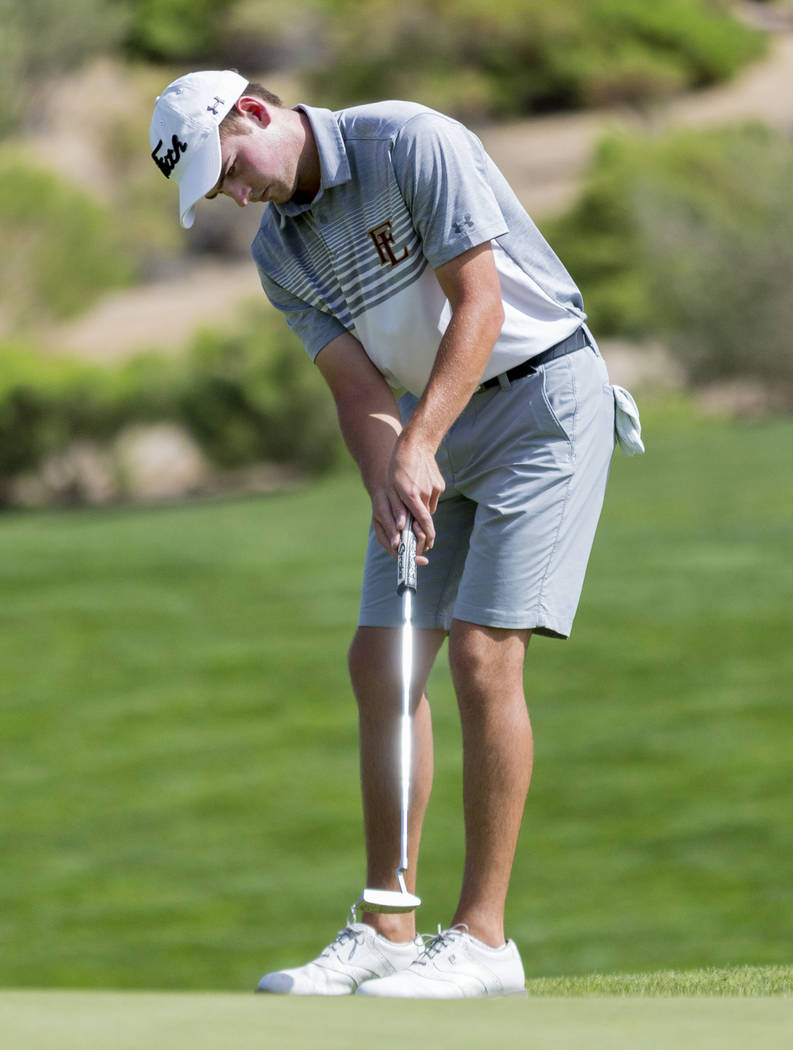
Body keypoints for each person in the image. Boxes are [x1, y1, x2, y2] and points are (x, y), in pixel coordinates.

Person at [150, 69, 643, 999]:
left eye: (228, 168)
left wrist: (420, 442)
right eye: (215, 190)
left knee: (482, 658)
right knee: (382, 661)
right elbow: (356, 389)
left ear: (251, 111)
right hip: (427, 421)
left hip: (541, 399)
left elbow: (482, 305)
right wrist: (389, 476)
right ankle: (387, 927)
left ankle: (486, 943)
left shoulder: (409, 141)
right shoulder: (277, 257)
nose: (233, 193)